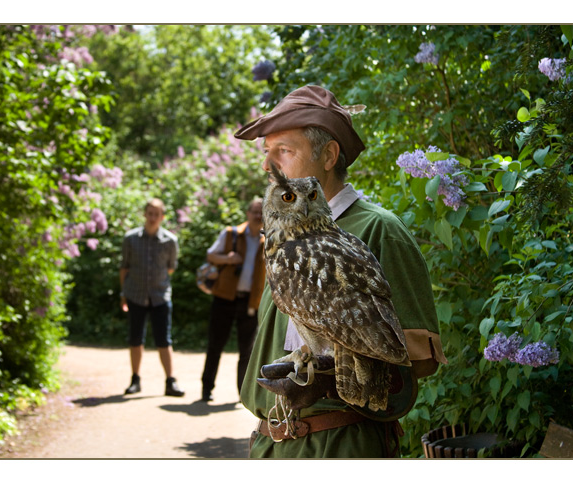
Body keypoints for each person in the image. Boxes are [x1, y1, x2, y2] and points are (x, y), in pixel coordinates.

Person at [233, 85, 447, 458]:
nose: (269, 165)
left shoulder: (378, 229)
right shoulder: (284, 234)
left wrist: (327, 381)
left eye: (284, 150)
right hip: (271, 444)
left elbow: (419, 360)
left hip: (338, 444)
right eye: (267, 153)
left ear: (329, 154)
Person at [200, 198, 266, 402]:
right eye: (255, 211)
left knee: (246, 352)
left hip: (250, 302)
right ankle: (206, 389)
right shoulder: (231, 234)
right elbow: (211, 255)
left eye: (261, 212)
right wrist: (228, 259)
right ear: (247, 213)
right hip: (224, 298)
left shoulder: (269, 239)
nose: (258, 216)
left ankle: (242, 394)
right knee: (215, 346)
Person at [120, 198, 184, 397]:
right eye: (150, 213)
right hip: (135, 295)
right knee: (135, 338)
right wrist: (123, 294)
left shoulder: (170, 241)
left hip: (160, 296)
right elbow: (124, 267)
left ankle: (170, 381)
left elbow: (171, 268)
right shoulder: (130, 239)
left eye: (157, 214)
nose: (153, 217)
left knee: (164, 339)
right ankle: (135, 379)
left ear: (162, 217)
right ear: (145, 214)